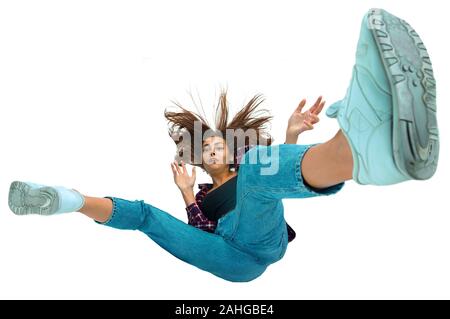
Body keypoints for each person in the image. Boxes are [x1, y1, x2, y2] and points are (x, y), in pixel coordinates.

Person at [7, 8, 438, 282]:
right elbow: (198, 233)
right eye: (206, 148)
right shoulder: (201, 193)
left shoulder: (250, 164)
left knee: (259, 170)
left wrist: (291, 133)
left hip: (265, 239)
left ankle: (365, 149)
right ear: (199, 159)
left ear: (230, 150)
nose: (214, 150)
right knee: (143, 214)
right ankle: (68, 199)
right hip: (229, 255)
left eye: (219, 145)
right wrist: (183, 192)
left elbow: (277, 179)